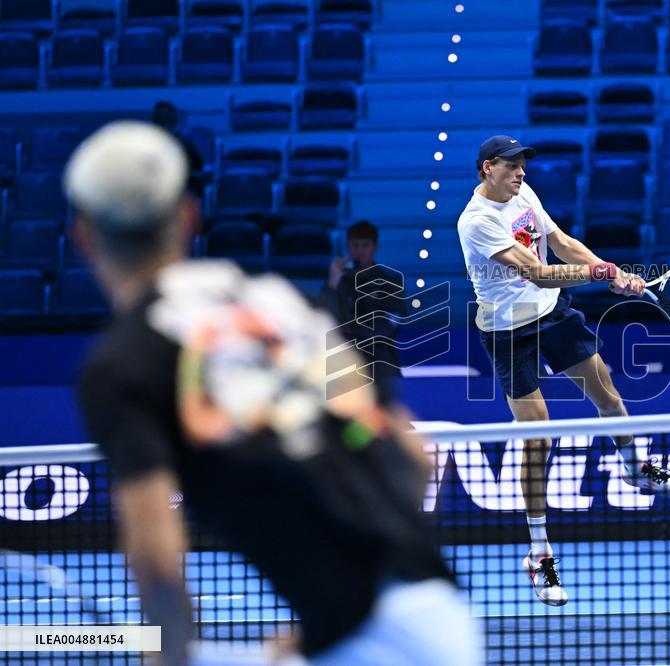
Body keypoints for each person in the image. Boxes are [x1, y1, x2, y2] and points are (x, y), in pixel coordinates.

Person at [67, 121, 479, 666]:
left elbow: (157, 564)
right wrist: (331, 619)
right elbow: (411, 456)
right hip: (443, 618)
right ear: (188, 217)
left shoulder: (121, 363)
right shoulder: (282, 301)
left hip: (370, 643)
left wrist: (168, 658)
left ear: (84, 237)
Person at [456, 135, 670, 607]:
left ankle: (633, 467)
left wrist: (609, 269)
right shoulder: (476, 221)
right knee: (538, 436)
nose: (521, 172)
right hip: (507, 330)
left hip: (552, 314)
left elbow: (558, 243)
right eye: (512, 165)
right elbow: (536, 270)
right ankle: (539, 554)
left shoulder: (524, 195)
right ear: (487, 168)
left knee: (608, 394)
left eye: (523, 164)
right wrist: (601, 275)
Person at [316, 220, 406, 395]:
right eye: (355, 245)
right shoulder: (337, 282)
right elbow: (322, 316)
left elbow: (390, 322)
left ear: (374, 247)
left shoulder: (390, 282)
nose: (360, 251)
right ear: (348, 247)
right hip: (344, 353)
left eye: (365, 245)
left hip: (379, 353)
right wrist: (333, 281)